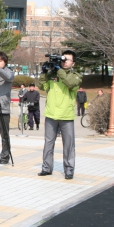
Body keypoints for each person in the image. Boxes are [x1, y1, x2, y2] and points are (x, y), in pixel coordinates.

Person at [38, 50, 82, 180]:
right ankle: (46, 168)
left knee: (68, 144)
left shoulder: (76, 76)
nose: (64, 62)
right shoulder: (53, 74)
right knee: (48, 143)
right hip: (51, 113)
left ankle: (69, 169)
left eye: (67, 59)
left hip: (66, 115)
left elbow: (70, 83)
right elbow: (41, 86)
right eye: (63, 59)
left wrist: (59, 70)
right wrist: (44, 73)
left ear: (73, 63)